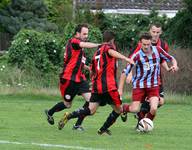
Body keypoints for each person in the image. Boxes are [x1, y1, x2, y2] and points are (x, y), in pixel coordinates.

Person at [57, 30, 134, 135]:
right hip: (108, 86)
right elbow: (111, 52)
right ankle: (103, 129)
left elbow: (93, 70)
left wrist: (93, 81)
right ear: (112, 41)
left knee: (91, 110)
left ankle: (69, 116)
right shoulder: (107, 48)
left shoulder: (97, 53)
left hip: (97, 87)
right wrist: (126, 58)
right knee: (119, 110)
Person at [44, 24, 100, 131]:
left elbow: (80, 64)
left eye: (87, 34)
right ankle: (50, 112)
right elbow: (83, 44)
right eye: (84, 34)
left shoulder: (81, 51)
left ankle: (77, 124)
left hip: (80, 79)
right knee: (67, 104)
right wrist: (100, 45)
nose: (86, 36)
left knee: (91, 100)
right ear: (77, 34)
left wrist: (90, 69)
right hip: (68, 79)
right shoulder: (74, 42)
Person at [119, 33, 178, 130]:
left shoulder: (158, 50)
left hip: (153, 85)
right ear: (140, 43)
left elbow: (171, 58)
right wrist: (120, 89)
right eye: (144, 44)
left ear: (151, 43)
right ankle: (124, 108)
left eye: (148, 44)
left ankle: (144, 126)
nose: (146, 47)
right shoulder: (136, 56)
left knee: (154, 108)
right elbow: (124, 72)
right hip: (139, 86)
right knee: (135, 109)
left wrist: (174, 65)